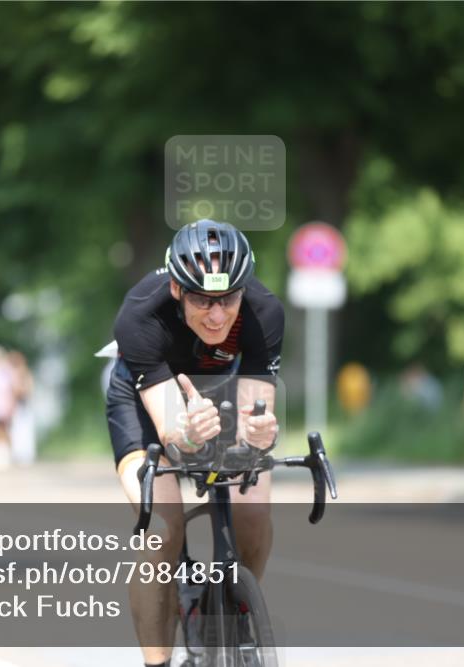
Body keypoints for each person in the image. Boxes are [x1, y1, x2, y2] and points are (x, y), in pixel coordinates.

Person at [105, 219, 282, 667]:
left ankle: (238, 612)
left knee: (255, 510)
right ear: (178, 290)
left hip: (221, 393)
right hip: (145, 403)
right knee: (162, 532)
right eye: (203, 299)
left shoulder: (264, 312)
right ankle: (157, 663)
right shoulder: (140, 315)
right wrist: (187, 433)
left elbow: (255, 414)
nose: (218, 315)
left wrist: (259, 434)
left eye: (229, 299)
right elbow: (173, 435)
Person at [7, 350, 36, 465]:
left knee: (22, 430)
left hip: (22, 405)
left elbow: (26, 390)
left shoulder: (23, 373)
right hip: (16, 406)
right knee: (16, 430)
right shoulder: (14, 373)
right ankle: (18, 453)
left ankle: (24, 454)